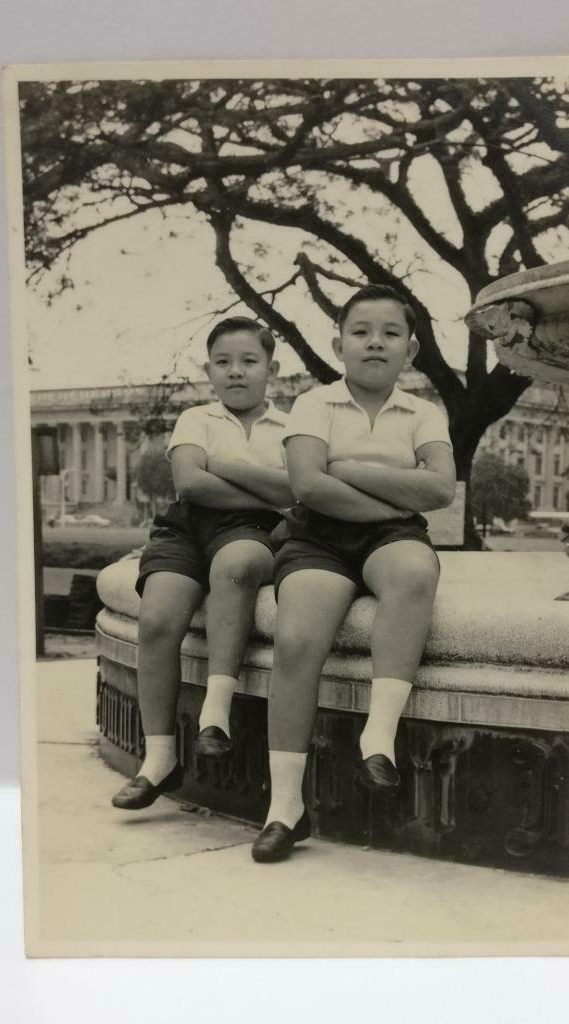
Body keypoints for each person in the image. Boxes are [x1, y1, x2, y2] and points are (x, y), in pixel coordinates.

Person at [251, 284, 456, 862]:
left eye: (391, 334)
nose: (375, 343)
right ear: (339, 343)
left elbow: (440, 487)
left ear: (410, 351)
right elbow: (308, 485)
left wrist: (349, 466)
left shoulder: (424, 412)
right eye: (361, 332)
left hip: (391, 540)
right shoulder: (314, 405)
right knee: (295, 641)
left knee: (414, 574)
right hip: (319, 535)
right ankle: (285, 808)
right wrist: (395, 498)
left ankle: (379, 737)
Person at [112, 317, 293, 810]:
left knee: (235, 569)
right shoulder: (196, 419)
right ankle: (160, 759)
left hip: (252, 530)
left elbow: (297, 491)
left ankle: (216, 714)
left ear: (270, 368)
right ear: (208, 370)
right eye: (223, 363)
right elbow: (189, 484)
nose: (236, 372)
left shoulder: (293, 427)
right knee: (155, 621)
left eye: (249, 362)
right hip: (187, 527)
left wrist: (226, 467)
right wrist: (267, 484)